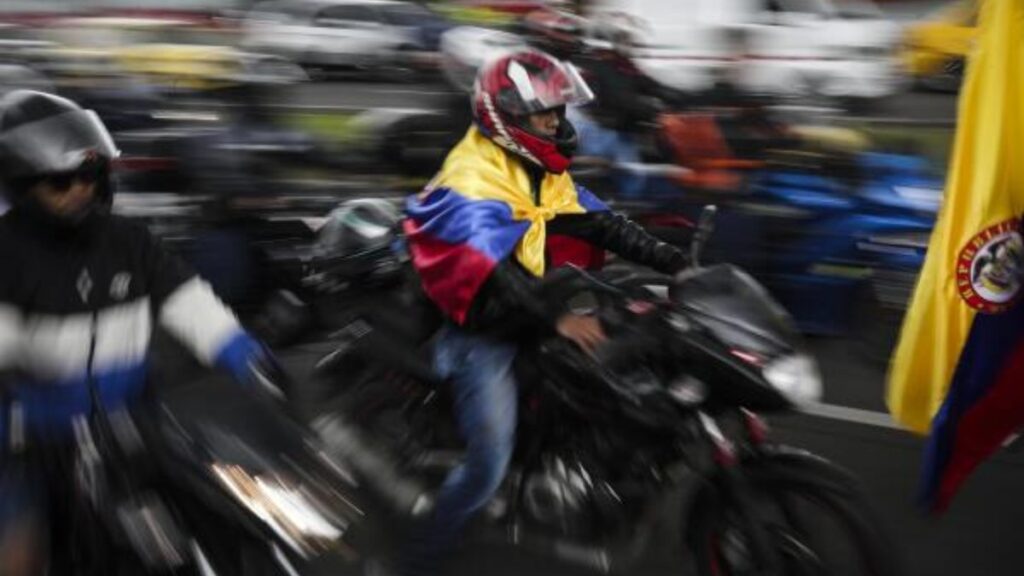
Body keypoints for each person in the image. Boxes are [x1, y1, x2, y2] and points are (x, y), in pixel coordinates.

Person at [397, 51, 688, 576]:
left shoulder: (535, 168)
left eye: (559, 113)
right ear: (505, 117)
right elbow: (491, 276)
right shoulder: (472, 180)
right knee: (488, 464)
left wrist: (677, 261)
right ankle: (419, 558)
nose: (557, 124)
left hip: (525, 302)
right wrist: (558, 321)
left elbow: (601, 223)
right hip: (480, 327)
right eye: (545, 115)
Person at [0, 90, 279, 575]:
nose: (79, 191)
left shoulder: (129, 240)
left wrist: (241, 352)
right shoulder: (7, 256)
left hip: (139, 421)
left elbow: (186, 300)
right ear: (22, 186)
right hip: (40, 443)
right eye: (60, 181)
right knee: (21, 555)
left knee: (236, 517)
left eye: (88, 175)